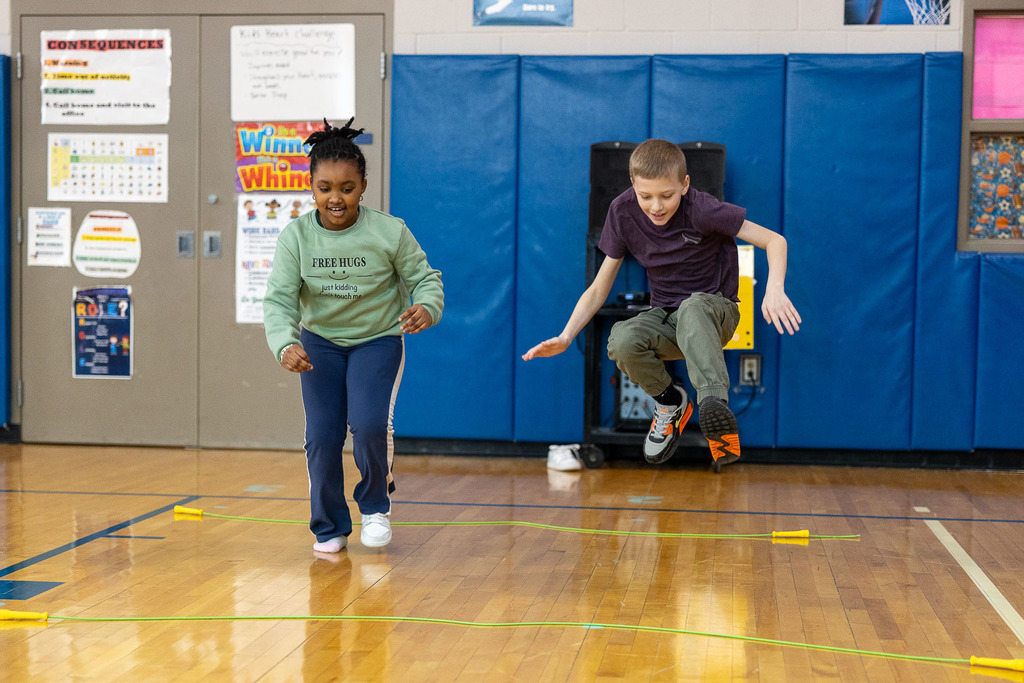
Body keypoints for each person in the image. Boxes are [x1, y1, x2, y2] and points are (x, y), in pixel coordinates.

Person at [523, 139, 800, 470]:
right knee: (622, 339)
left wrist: (775, 289)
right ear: (633, 186)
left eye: (666, 196)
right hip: (668, 318)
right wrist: (567, 336)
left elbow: (774, 241)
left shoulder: (703, 209)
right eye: (646, 196)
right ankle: (671, 404)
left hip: (716, 313)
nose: (656, 206)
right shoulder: (622, 212)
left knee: (694, 307)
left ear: (684, 185)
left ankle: (714, 405)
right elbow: (599, 287)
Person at [263, 118, 444, 552]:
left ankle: (376, 507)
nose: (336, 198)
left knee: (367, 425)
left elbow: (426, 279)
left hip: (376, 340)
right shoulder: (296, 237)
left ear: (363, 186)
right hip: (320, 343)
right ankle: (328, 526)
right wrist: (285, 343)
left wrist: (427, 307)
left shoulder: (389, 231)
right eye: (325, 188)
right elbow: (279, 300)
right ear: (311, 188)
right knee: (322, 434)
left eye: (346, 187)